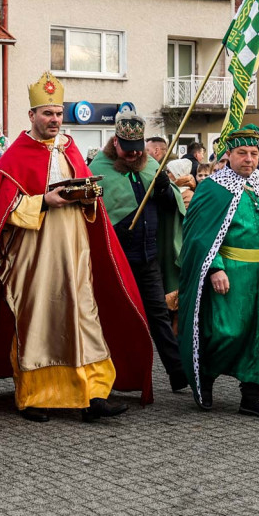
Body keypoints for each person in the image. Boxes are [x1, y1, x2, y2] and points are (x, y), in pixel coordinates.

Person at [0, 72, 152, 431]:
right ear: (32, 116)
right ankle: (34, 395)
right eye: (47, 113)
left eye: (58, 113)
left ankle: (93, 394)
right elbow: (0, 211)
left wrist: (87, 197)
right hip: (34, 255)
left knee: (83, 318)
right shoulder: (15, 156)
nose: (55, 120)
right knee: (39, 322)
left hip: (74, 252)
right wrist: (44, 200)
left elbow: (91, 205)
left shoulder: (71, 148)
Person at [178, 124, 259, 420]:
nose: (249, 159)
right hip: (230, 270)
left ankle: (254, 394)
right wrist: (215, 268)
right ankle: (205, 376)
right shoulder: (213, 187)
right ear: (229, 155)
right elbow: (197, 234)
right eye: (242, 153)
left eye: (254, 153)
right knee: (226, 331)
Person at [89, 110, 188, 392]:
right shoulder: (100, 168)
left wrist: (165, 190)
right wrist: (116, 230)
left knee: (158, 314)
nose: (132, 155)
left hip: (149, 257)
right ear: (116, 143)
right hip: (118, 258)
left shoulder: (150, 166)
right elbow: (95, 213)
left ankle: (178, 373)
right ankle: (110, 377)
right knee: (119, 318)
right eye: (127, 150)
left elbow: (171, 207)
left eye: (136, 150)